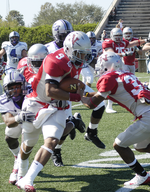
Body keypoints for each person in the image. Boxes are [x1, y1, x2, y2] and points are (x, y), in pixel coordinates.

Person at [81, 51, 150, 186]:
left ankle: (142, 175)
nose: (98, 68)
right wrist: (84, 92)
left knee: (119, 145)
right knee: (140, 146)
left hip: (148, 118)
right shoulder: (126, 74)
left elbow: (91, 104)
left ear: (106, 65)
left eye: (100, 65)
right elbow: (103, 94)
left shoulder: (108, 78)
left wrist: (75, 95)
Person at [15, 31, 93, 191]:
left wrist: (96, 96)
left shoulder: (72, 61)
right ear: (70, 50)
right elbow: (51, 91)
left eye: (85, 54)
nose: (83, 58)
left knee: (51, 141)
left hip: (56, 106)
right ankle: (20, 171)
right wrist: (79, 97)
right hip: (36, 103)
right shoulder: (55, 61)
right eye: (80, 54)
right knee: (28, 144)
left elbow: (78, 86)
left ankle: (27, 180)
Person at [17, 43, 86, 168]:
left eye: (41, 62)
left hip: (57, 102)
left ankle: (58, 149)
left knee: (57, 134)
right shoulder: (24, 68)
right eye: (35, 62)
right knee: (25, 137)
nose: (38, 65)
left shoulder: (53, 65)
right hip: (34, 103)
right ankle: (19, 166)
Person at [45, 20, 106, 154]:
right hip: (58, 88)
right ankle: (58, 150)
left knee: (100, 102)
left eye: (67, 34)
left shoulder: (77, 44)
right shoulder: (48, 49)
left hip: (74, 84)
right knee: (61, 127)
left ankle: (91, 132)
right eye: (62, 35)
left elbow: (88, 59)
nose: (65, 38)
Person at [0, 71, 35, 185]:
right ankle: (17, 157)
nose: (15, 90)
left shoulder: (32, 91)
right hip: (19, 120)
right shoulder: (3, 100)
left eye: (18, 86)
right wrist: (20, 117)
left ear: (24, 86)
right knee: (9, 138)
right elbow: (8, 121)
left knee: (26, 141)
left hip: (37, 120)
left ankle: (20, 171)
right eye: (11, 88)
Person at [102, 27, 147, 113]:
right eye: (116, 35)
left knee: (116, 84)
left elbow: (131, 44)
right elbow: (111, 53)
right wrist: (124, 53)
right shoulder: (108, 42)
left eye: (120, 35)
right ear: (112, 35)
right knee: (108, 85)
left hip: (117, 65)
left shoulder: (122, 42)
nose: (118, 37)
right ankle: (106, 105)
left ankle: (108, 105)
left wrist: (145, 40)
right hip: (107, 65)